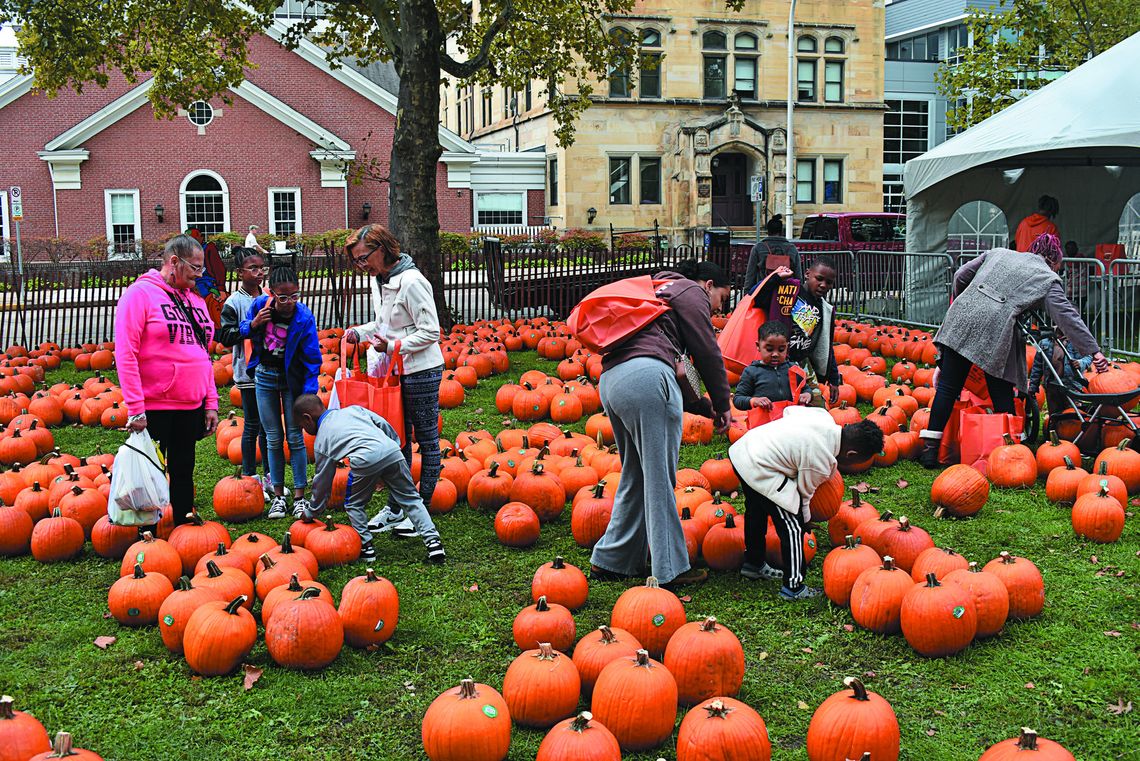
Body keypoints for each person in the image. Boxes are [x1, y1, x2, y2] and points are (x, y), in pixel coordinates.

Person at [589, 259, 733, 588]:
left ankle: (613, 559)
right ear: (708, 285)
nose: (716, 310)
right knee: (658, 478)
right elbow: (707, 352)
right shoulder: (690, 291)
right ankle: (670, 568)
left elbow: (682, 371)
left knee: (636, 473)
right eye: (721, 300)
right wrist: (724, 404)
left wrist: (704, 406)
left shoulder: (654, 289)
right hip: (649, 378)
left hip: (612, 379)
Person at [919, 233, 1109, 468]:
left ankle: (930, 451)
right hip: (994, 328)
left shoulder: (998, 253)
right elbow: (1067, 316)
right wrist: (1094, 351)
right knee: (1000, 386)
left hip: (961, 315)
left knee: (948, 387)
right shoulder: (1046, 277)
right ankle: (1008, 451)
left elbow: (960, 275)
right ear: (1053, 261)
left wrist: (964, 302)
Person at [343, 224, 445, 539]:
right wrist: (360, 331)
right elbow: (386, 324)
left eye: (364, 258)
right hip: (396, 371)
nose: (362, 266)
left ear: (383, 249)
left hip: (422, 370)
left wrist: (392, 346)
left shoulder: (412, 282)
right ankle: (397, 507)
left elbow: (431, 331)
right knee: (398, 442)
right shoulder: (380, 280)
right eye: (357, 261)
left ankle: (421, 510)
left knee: (426, 441)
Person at [115, 235, 220, 528]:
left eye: (202, 269)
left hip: (190, 403)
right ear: (174, 262)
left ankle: (185, 528)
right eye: (195, 268)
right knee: (150, 473)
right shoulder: (140, 295)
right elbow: (126, 353)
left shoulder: (196, 301)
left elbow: (203, 355)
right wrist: (135, 408)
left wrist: (209, 401)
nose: (200, 275)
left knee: (184, 469)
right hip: (155, 405)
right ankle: (148, 536)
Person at [730, 409, 884, 599]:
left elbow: (788, 411)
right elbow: (803, 495)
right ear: (851, 454)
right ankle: (793, 587)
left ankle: (753, 563)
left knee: (756, 510)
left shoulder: (822, 416)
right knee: (792, 527)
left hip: (743, 449)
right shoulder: (821, 459)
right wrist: (805, 521)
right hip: (760, 465)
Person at [293, 394, 446, 564]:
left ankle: (367, 547)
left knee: (353, 503)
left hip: (365, 459)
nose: (304, 430)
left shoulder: (322, 441)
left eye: (302, 426)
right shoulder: (352, 410)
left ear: (307, 419)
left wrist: (311, 512)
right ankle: (434, 543)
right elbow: (382, 423)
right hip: (391, 450)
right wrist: (394, 444)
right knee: (410, 498)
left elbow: (322, 483)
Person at [240, 265, 321, 517]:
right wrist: (254, 324)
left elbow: (312, 358)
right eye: (283, 297)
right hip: (264, 376)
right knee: (273, 437)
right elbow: (242, 330)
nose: (289, 302)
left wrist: (308, 394)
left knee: (295, 437)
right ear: (271, 293)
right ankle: (278, 495)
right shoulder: (259, 306)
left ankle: (299, 496)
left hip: (291, 381)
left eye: (295, 296)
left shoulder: (304, 317)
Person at [217, 248, 270, 499]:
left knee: (270, 428)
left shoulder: (270, 296)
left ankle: (271, 477)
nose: (259, 273)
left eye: (262, 268)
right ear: (240, 273)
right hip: (247, 374)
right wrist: (253, 325)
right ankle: (251, 476)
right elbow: (225, 336)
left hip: (271, 371)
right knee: (252, 425)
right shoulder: (233, 303)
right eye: (253, 269)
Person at [787, 257, 842, 404]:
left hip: (803, 363)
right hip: (781, 361)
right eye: (819, 279)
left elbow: (826, 345)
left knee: (817, 406)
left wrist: (834, 379)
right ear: (807, 274)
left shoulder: (824, 310)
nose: (823, 285)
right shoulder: (792, 293)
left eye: (829, 282)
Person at [734, 321, 813, 412]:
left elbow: (805, 388)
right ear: (758, 346)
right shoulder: (751, 372)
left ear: (787, 347)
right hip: (763, 423)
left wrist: (807, 394)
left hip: (789, 420)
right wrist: (753, 401)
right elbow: (738, 399)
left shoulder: (793, 369)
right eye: (769, 349)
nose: (775, 354)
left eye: (781, 349)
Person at [743, 214, 802, 295]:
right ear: (781, 231)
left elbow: (750, 275)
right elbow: (798, 276)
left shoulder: (758, 248)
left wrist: (746, 295)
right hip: (786, 295)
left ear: (768, 231)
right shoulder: (792, 249)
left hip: (763, 293)